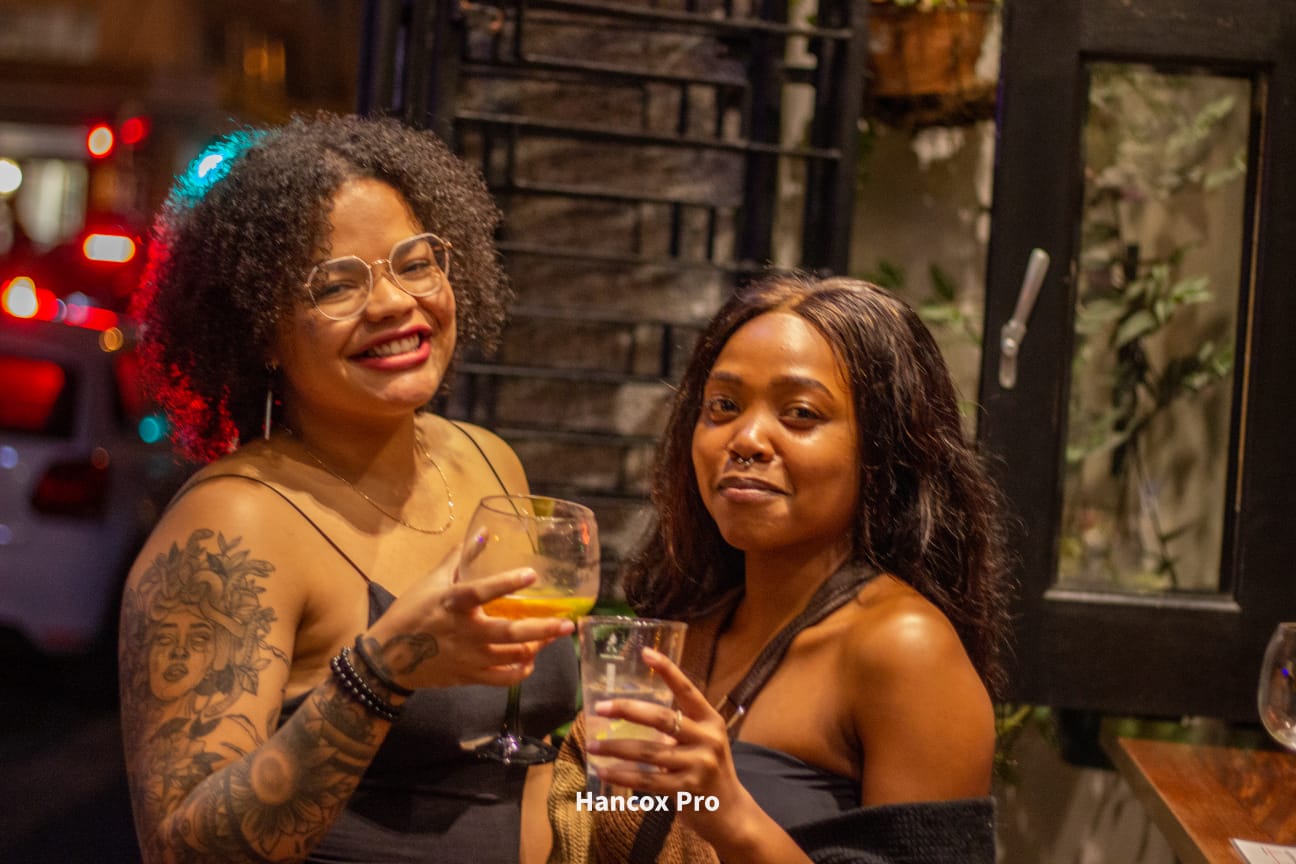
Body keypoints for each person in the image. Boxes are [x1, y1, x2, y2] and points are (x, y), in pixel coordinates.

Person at [119, 112, 578, 864]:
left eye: (415, 263)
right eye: (334, 284)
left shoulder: (488, 463)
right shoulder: (233, 523)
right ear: (261, 331)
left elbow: (520, 758)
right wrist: (380, 671)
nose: (394, 302)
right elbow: (184, 850)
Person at [547, 272, 1013, 863]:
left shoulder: (904, 649)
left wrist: (731, 816)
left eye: (799, 413)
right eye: (723, 406)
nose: (746, 439)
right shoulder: (689, 625)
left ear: (884, 448)